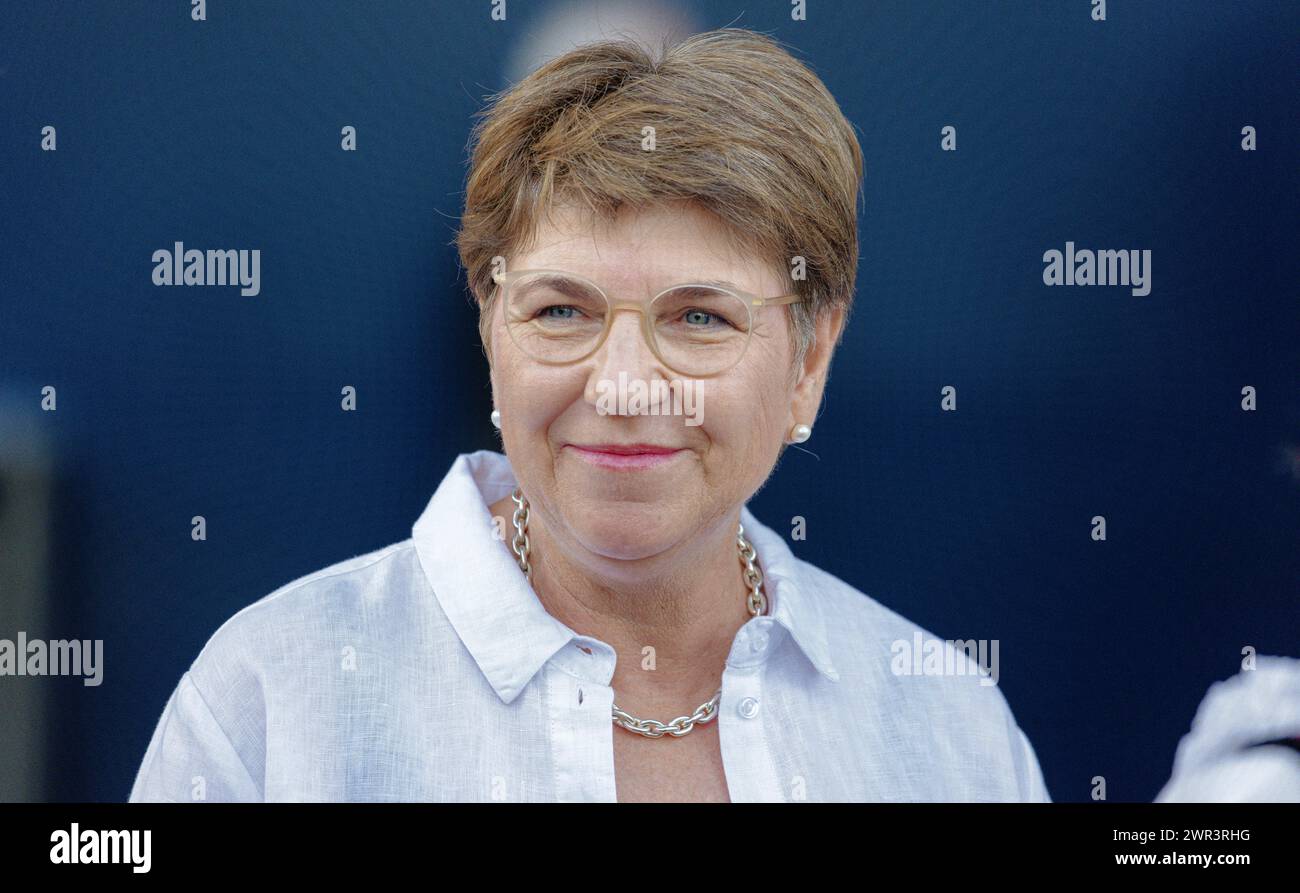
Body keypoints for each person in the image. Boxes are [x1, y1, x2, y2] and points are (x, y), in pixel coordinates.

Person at [128, 27, 1049, 802]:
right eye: (561, 310)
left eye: (699, 317)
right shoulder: (271, 702)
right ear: (492, 329)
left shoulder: (951, 733)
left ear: (808, 359)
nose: (622, 386)